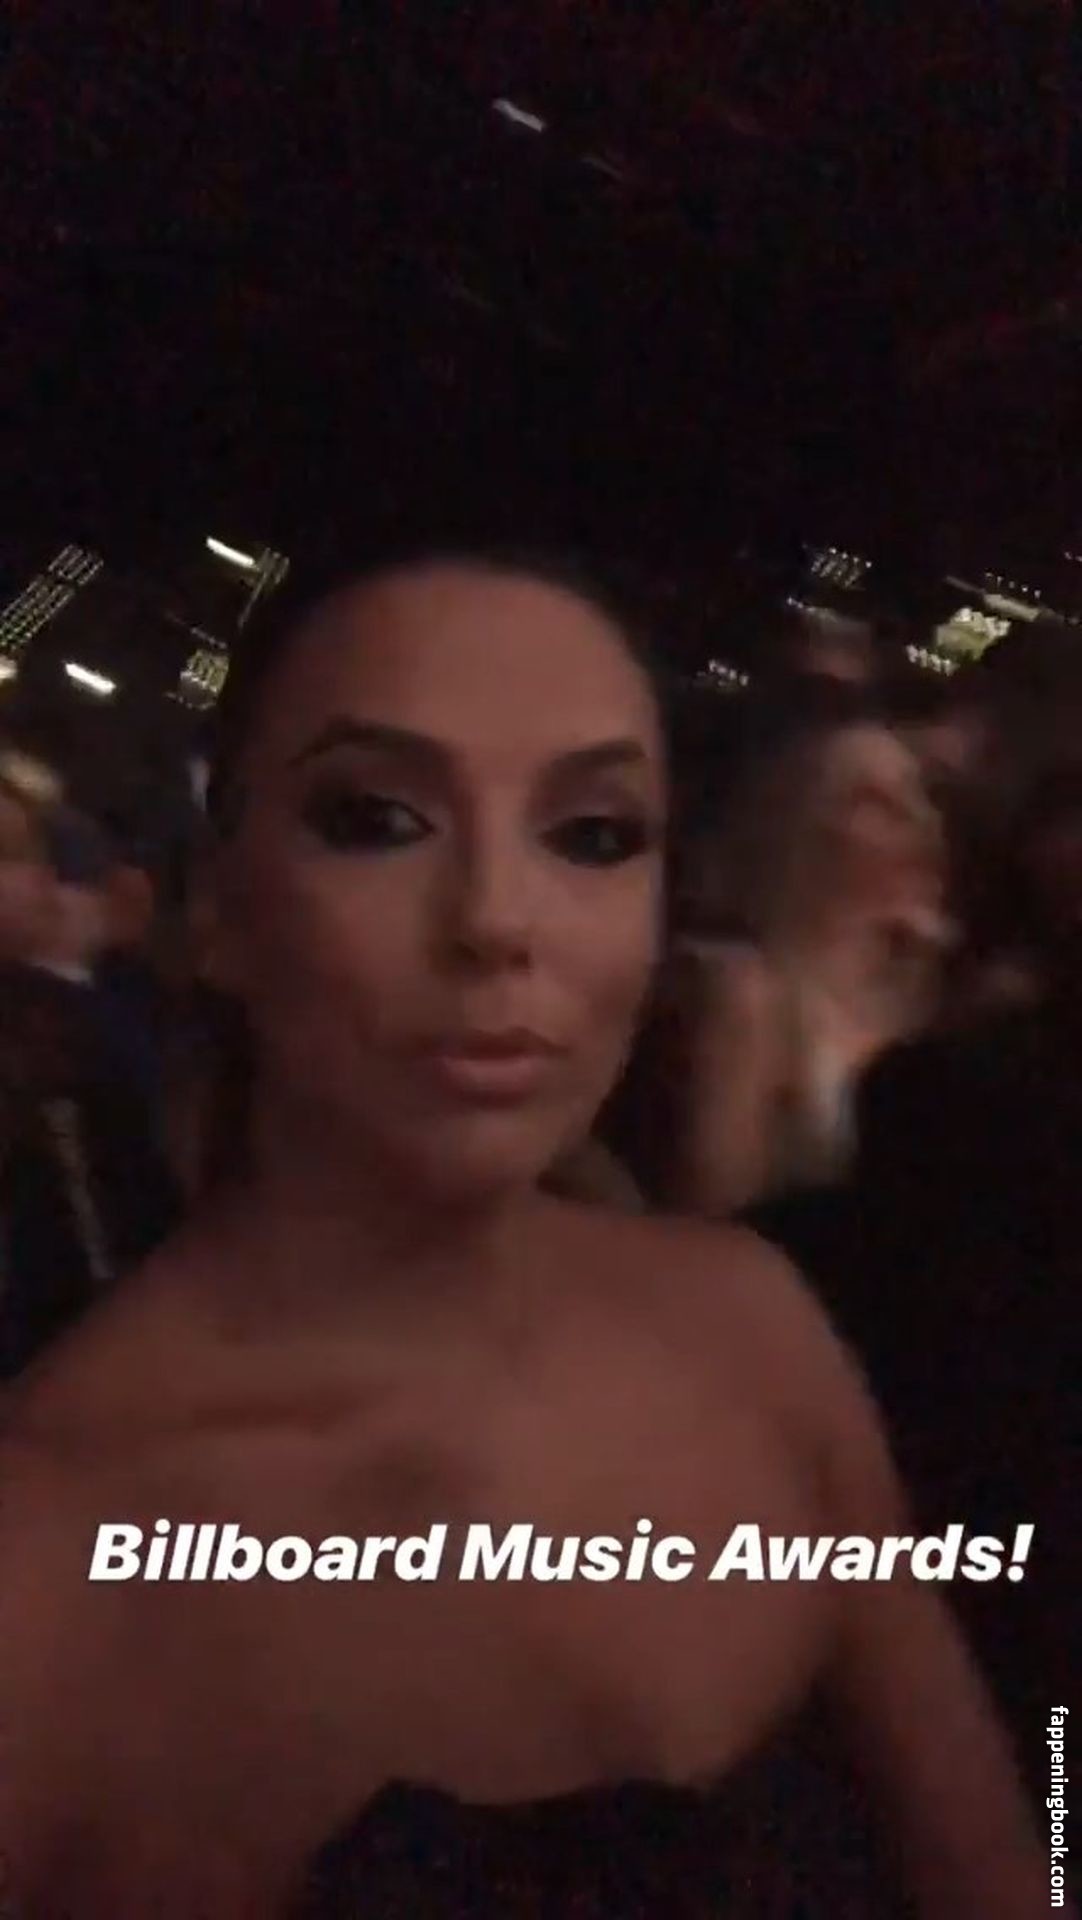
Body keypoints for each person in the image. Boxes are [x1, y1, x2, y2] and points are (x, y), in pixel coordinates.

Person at [0, 552, 1050, 1916]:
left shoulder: (747, 1322)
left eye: (593, 835)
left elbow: (1005, 1860)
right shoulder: (51, 1555)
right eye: (375, 819)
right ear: (217, 908)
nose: (497, 922)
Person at [665, 704, 951, 1216]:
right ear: (800, 827)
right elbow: (713, 1212)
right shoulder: (747, 992)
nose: (920, 821)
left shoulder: (923, 985)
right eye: (873, 803)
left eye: (919, 794)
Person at [0, 785, 179, 1379]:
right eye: (6, 858)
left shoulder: (65, 1012)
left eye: (31, 854)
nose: (41, 878)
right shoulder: (51, 1025)